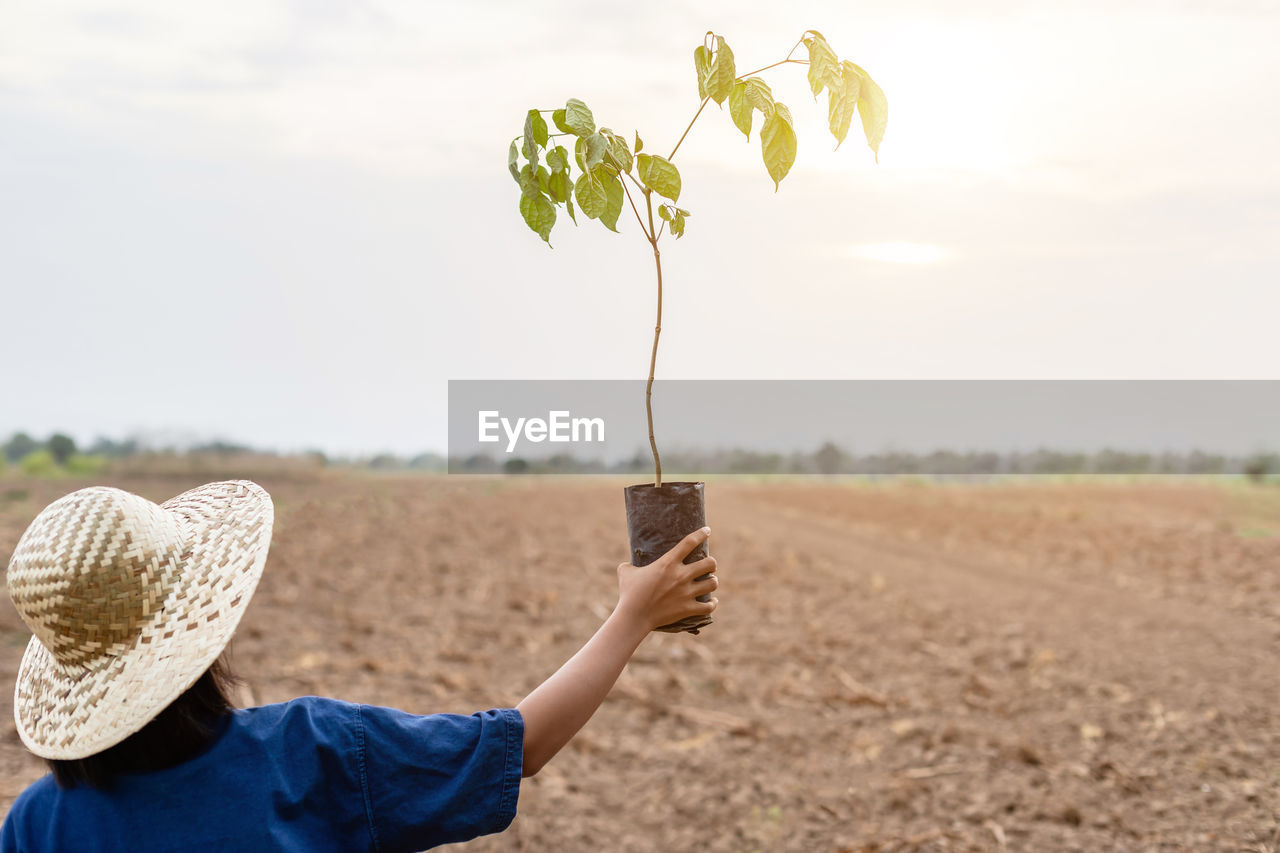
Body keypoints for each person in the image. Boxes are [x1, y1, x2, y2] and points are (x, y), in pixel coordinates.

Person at [1, 480, 719, 851]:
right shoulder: (309, 753)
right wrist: (632, 617)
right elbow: (517, 743)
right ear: (199, 622)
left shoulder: (38, 826)